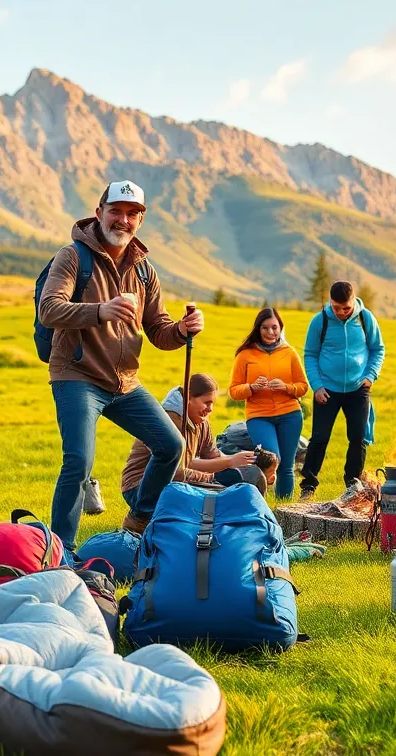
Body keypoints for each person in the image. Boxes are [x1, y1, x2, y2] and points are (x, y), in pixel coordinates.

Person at [39, 180, 203, 545]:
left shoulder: (145, 271)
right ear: (99, 213)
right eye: (116, 211)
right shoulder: (73, 257)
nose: (123, 220)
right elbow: (49, 309)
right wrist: (101, 310)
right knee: (79, 462)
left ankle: (139, 520)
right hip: (77, 376)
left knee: (171, 445)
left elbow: (159, 330)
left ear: (140, 221)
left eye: (132, 214)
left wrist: (182, 329)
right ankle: (60, 551)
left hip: (125, 384)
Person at [300, 281, 386, 501]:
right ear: (330, 302)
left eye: (345, 308)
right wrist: (317, 386)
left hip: (358, 389)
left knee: (358, 438)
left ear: (353, 301)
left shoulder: (366, 318)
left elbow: (378, 349)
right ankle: (308, 485)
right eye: (336, 308)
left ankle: (353, 484)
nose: (340, 313)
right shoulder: (320, 321)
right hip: (327, 389)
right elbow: (310, 354)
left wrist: (370, 376)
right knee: (319, 438)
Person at [120, 374, 264, 504]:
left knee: (234, 491)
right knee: (221, 498)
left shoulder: (202, 422)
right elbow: (176, 471)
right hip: (140, 487)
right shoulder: (167, 422)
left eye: (212, 403)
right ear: (188, 397)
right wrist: (219, 472)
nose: (210, 409)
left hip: (175, 483)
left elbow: (212, 455)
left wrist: (242, 461)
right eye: (206, 402)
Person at [229, 307, 309, 499]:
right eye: (265, 328)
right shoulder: (245, 355)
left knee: (287, 466)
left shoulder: (289, 353)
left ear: (281, 328)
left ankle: (284, 510)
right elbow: (234, 391)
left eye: (275, 327)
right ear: (258, 329)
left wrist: (286, 387)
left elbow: (303, 386)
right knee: (273, 459)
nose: (271, 332)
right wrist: (251, 388)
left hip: (290, 414)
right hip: (259, 416)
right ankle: (258, 503)